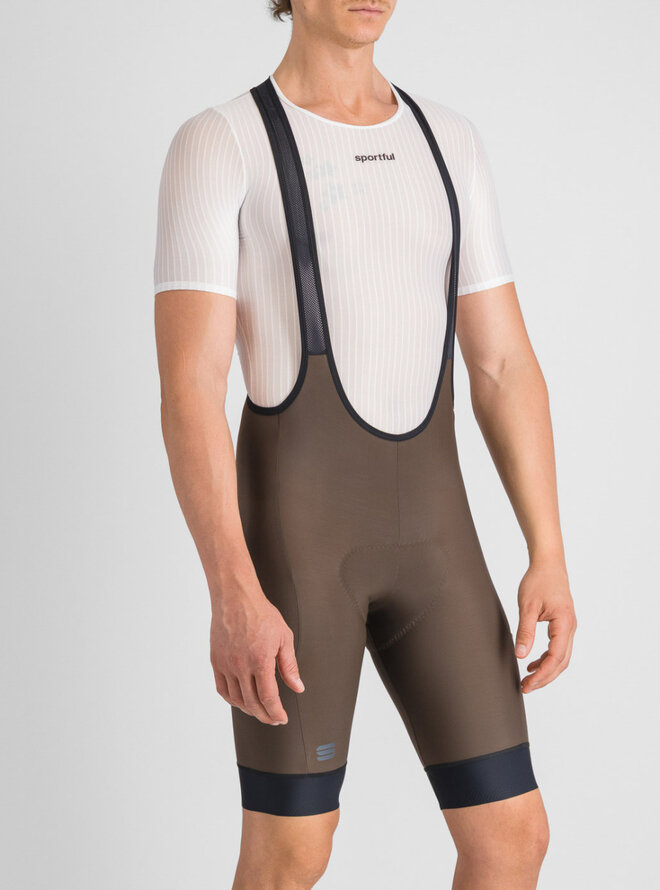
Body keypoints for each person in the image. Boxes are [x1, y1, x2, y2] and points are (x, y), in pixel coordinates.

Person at [153, 1, 577, 887]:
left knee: (513, 838)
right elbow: (191, 389)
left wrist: (549, 551)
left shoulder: (447, 141)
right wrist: (232, 591)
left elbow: (502, 364)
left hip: (436, 547)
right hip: (297, 554)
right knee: (292, 853)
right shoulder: (222, 142)